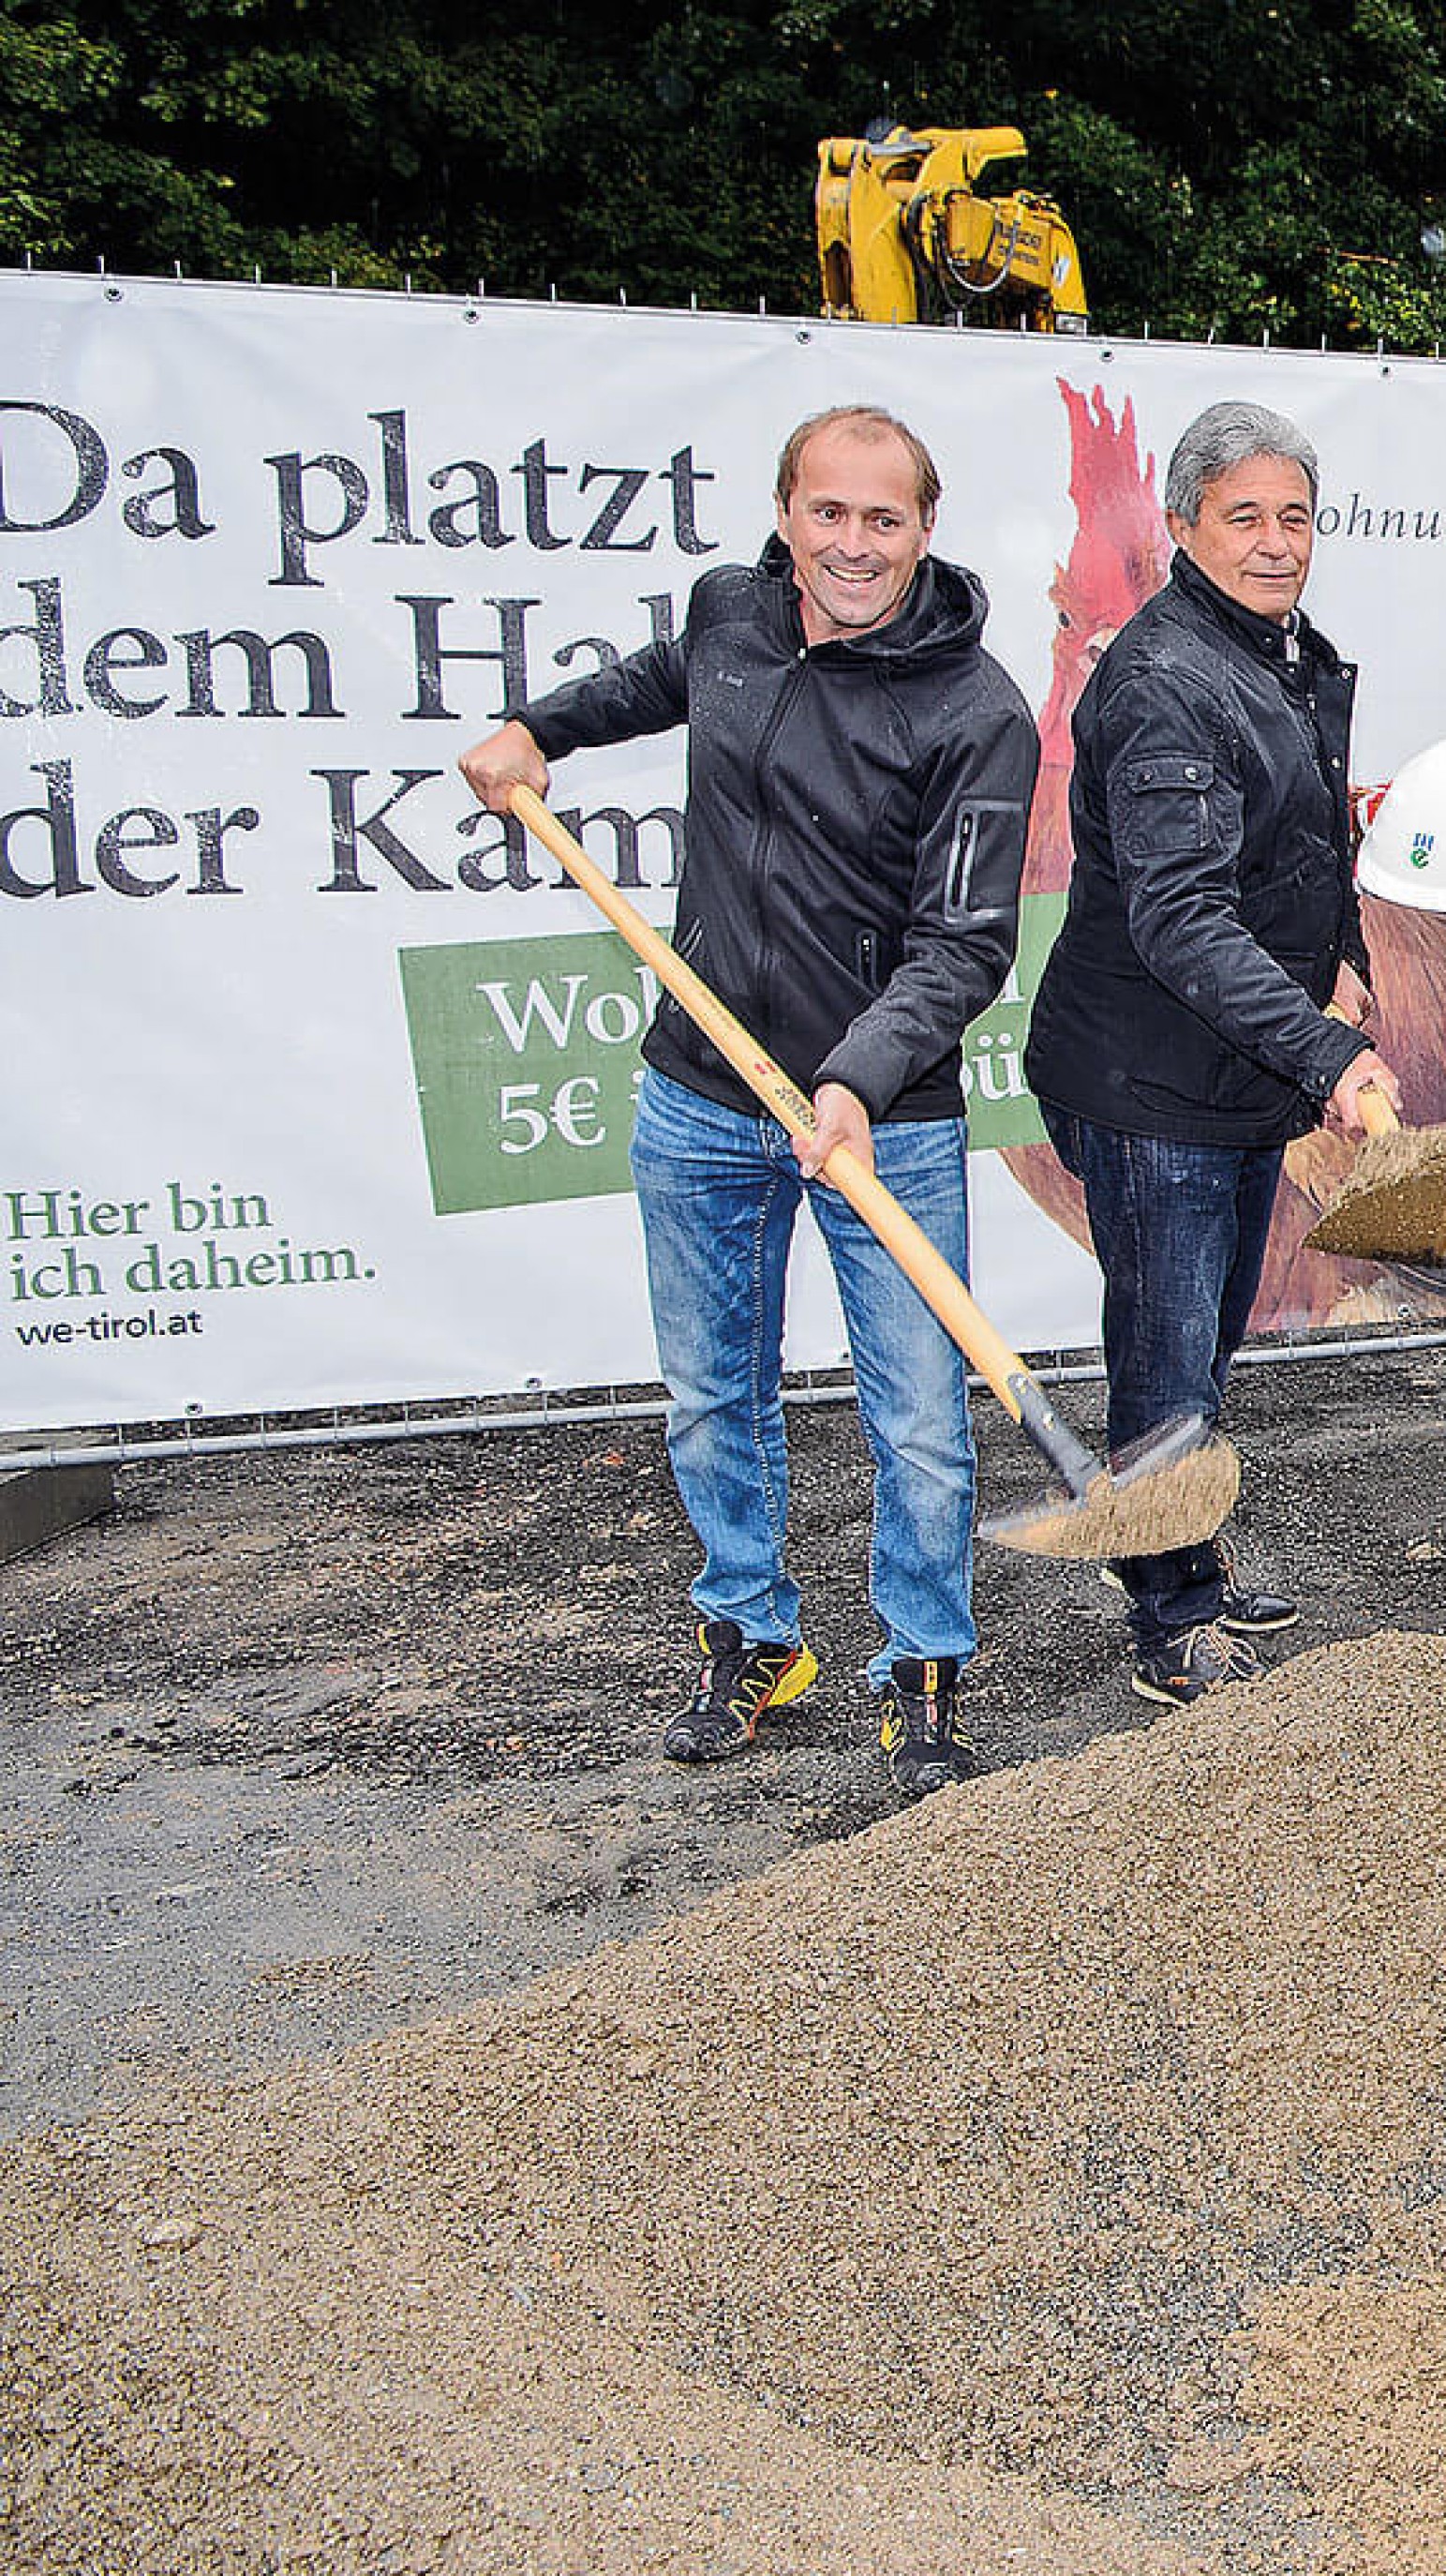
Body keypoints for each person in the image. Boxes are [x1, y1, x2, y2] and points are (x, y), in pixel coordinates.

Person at [455, 405, 1034, 1795]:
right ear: (785, 517)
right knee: (715, 1394)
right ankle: (751, 1635)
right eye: (828, 512)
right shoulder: (732, 616)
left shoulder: (977, 712)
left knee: (919, 1420)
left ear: (925, 530)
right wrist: (537, 730)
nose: (853, 544)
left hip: (884, 1117)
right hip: (701, 1099)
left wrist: (855, 1077)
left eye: (883, 518)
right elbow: (657, 681)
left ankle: (924, 1670)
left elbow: (964, 946)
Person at [1024, 399, 1396, 1707]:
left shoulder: (1275, 654)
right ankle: (1171, 1616)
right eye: (1245, 517)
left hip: (1229, 1074)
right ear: (1184, 528)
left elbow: (1309, 841)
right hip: (1150, 1083)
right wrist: (1327, 1052)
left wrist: (1342, 952)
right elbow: (1180, 916)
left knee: (1204, 1341)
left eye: (1295, 516)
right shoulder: (1167, 682)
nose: (1276, 540)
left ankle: (1182, 1549)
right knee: (1168, 1351)